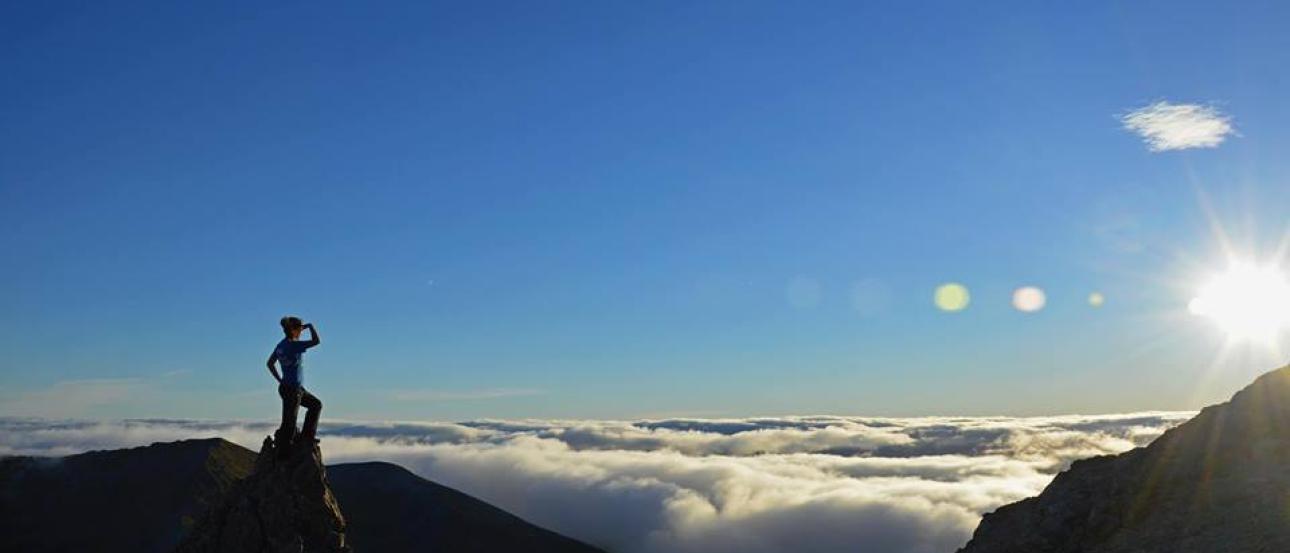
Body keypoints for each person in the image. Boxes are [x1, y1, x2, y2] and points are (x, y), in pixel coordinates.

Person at [266, 316, 322, 449]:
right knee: (290, 421)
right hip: (293, 390)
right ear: (295, 330)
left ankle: (306, 438)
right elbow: (316, 341)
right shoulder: (294, 345)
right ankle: (285, 451)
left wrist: (280, 379)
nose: (302, 332)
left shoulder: (281, 346)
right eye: (301, 329)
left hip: (290, 387)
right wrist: (311, 326)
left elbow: (270, 363)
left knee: (315, 405)